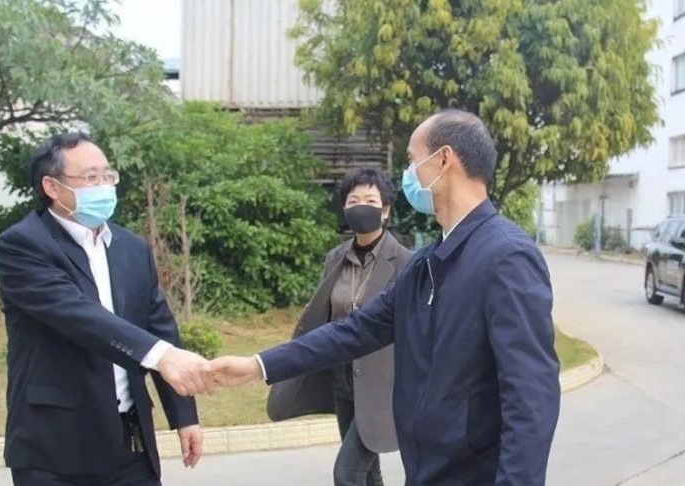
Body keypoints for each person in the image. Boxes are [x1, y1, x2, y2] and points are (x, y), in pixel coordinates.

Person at [210, 109, 561, 486]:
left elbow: (531, 398)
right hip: (425, 471)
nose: (409, 174)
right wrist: (258, 365)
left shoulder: (506, 256)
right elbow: (354, 331)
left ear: (443, 159)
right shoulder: (427, 263)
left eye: (413, 160)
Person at [0, 133, 214, 486]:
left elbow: (160, 329)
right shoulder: (23, 246)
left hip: (129, 443)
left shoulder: (131, 248)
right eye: (90, 177)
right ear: (52, 187)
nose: (104, 185)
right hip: (55, 449)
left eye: (108, 175)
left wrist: (184, 416)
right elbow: (79, 316)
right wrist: (160, 355)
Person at [266, 168, 413, 486]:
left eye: (370, 200)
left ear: (385, 210)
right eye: (353, 200)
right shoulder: (335, 258)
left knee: (347, 473)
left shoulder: (406, 263)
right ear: (344, 208)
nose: (361, 207)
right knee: (368, 473)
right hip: (342, 379)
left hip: (384, 384)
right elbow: (324, 314)